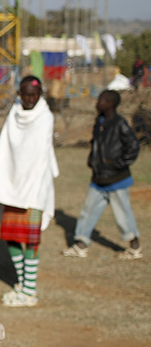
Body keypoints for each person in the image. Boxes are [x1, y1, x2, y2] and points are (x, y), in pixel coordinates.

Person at [0, 76, 59, 307]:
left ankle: (30, 292)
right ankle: (23, 285)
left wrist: (28, 186)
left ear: (41, 95)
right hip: (12, 185)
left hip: (34, 188)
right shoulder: (14, 113)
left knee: (31, 240)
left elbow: (37, 154)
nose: (30, 99)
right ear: (18, 94)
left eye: (34, 95)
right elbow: (6, 146)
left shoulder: (45, 117)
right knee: (11, 236)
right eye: (25, 95)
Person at [63, 89, 141, 259]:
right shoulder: (100, 121)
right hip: (98, 179)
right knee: (88, 211)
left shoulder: (119, 123)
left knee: (123, 215)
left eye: (101, 100)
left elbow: (133, 146)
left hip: (116, 179)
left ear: (110, 103)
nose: (98, 103)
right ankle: (81, 244)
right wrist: (92, 159)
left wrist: (117, 164)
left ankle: (134, 247)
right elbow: (96, 144)